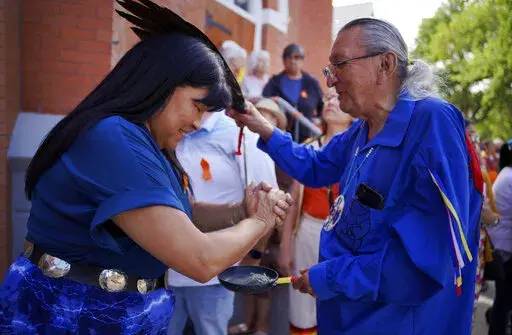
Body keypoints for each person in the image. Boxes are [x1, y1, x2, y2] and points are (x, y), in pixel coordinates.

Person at [0, 2, 292, 334]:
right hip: (76, 316)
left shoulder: (145, 140)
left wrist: (238, 211)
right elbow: (200, 260)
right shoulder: (114, 137)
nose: (198, 123)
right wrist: (261, 221)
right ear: (160, 85)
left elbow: (179, 215)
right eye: (197, 106)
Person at [231, 18, 483, 334]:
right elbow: (315, 166)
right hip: (346, 314)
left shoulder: (431, 122)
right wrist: (262, 127)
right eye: (328, 70)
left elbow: (422, 265)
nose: (330, 81)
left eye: (340, 65)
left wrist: (328, 277)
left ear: (385, 64)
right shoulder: (362, 129)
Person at [166, 109, 278, 335]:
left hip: (215, 274)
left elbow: (268, 204)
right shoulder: (165, 131)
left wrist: (253, 256)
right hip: (164, 271)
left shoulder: (241, 135)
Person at [279, 90, 353, 335]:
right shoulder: (310, 147)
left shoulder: (362, 151)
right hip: (309, 231)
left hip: (347, 240)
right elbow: (294, 199)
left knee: (339, 303)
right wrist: (285, 245)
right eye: (327, 99)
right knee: (302, 304)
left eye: (337, 97)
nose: (330, 102)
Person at [262, 44, 324, 143]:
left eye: (297, 57)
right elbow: (264, 104)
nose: (293, 61)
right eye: (289, 57)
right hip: (279, 137)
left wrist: (319, 119)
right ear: (283, 60)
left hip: (306, 140)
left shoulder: (312, 83)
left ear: (302, 60)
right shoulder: (274, 83)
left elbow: (323, 105)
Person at [487, 140, 512, 335]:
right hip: (505, 249)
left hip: (501, 244)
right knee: (504, 299)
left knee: (503, 299)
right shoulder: (510, 177)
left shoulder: (506, 174)